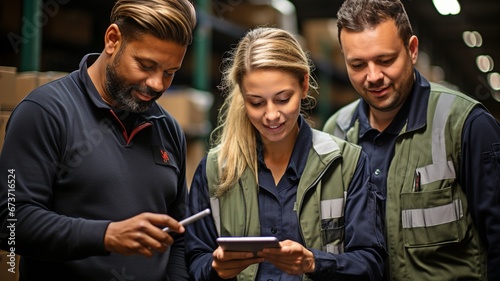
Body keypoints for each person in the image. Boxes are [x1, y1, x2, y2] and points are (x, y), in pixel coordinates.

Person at [0, 0, 196, 280]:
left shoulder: (168, 128)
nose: (156, 84)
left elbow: (178, 235)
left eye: (169, 73)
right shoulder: (45, 112)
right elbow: (10, 222)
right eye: (145, 65)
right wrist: (106, 235)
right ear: (113, 39)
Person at [185, 27, 386, 281]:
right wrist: (215, 268)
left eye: (282, 99)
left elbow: (371, 263)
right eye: (256, 102)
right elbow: (194, 258)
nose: (271, 115)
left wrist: (314, 262)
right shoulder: (214, 170)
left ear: (303, 85)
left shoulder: (346, 164)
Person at [322, 0, 500, 280]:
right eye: (357, 64)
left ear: (412, 50)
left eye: (385, 60)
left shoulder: (466, 124)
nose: (373, 76)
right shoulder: (336, 133)